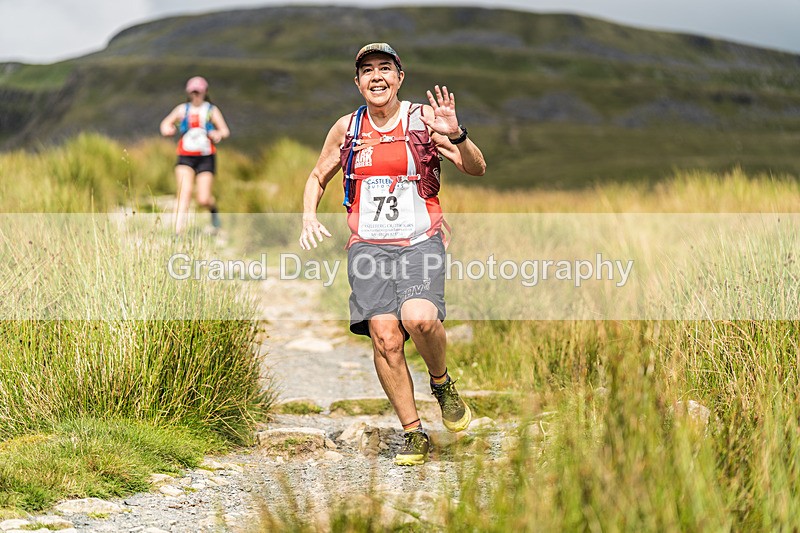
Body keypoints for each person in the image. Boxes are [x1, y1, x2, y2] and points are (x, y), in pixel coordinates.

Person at [299, 43, 486, 466]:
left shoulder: (423, 119)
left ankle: (441, 384)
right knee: (385, 338)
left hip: (420, 241)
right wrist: (308, 216)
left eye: (386, 68)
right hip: (367, 247)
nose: (377, 76)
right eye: (367, 71)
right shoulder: (346, 128)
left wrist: (456, 134)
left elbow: (476, 167)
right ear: (357, 82)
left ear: (400, 77)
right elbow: (317, 175)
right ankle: (413, 433)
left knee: (419, 318)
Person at [159, 76, 230, 234]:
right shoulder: (182, 110)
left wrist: (218, 134)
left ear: (205, 92)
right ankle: (178, 232)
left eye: (199, 92)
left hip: (206, 157)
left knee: (203, 198)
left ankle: (213, 210)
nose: (196, 95)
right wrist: (167, 129)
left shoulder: (211, 110)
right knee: (184, 192)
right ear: (189, 93)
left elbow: (225, 131)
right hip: (185, 156)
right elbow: (165, 123)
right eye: (193, 92)